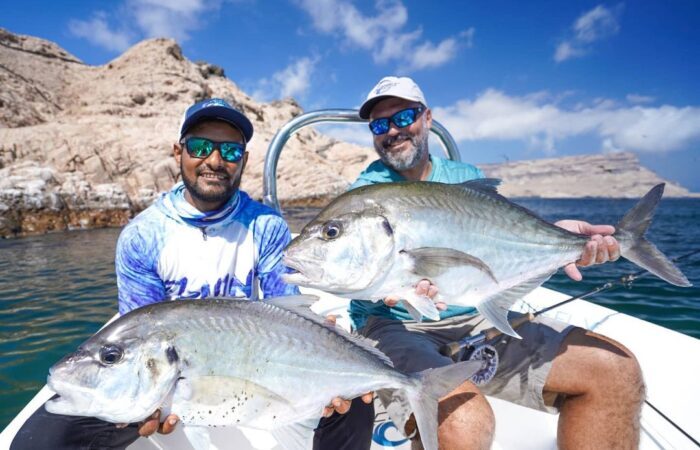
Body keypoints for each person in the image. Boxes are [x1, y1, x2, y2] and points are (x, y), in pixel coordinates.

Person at [11, 98, 371, 450]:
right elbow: (139, 331)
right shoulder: (143, 236)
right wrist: (151, 406)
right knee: (37, 443)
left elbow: (287, 309)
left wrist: (324, 339)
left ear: (244, 160)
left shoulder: (266, 225)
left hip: (258, 372)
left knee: (355, 404)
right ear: (178, 152)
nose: (214, 160)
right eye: (200, 147)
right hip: (170, 384)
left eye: (230, 151)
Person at [337, 77, 645, 450]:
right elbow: (366, 273)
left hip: (476, 315)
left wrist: (558, 239)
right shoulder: (364, 195)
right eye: (379, 125)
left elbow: (504, 241)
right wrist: (390, 288)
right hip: (394, 326)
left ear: (427, 117)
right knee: (463, 422)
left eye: (403, 117)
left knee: (615, 371)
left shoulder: (467, 179)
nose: (392, 131)